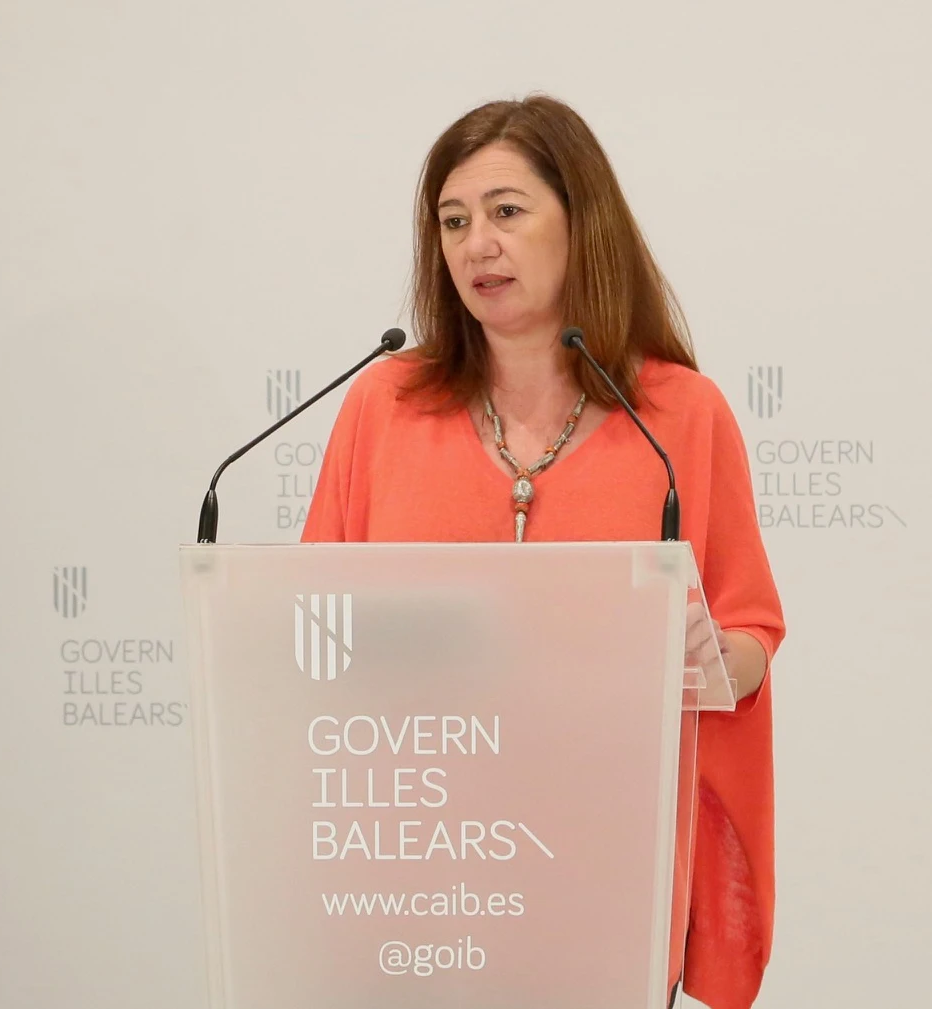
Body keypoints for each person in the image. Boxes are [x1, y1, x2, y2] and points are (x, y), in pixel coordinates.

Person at [301, 95, 784, 1009]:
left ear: (580, 223)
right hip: (416, 866)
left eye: (506, 211)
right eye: (452, 221)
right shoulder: (385, 405)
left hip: (600, 865)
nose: (475, 242)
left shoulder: (679, 415)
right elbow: (310, 627)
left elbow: (751, 626)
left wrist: (713, 652)